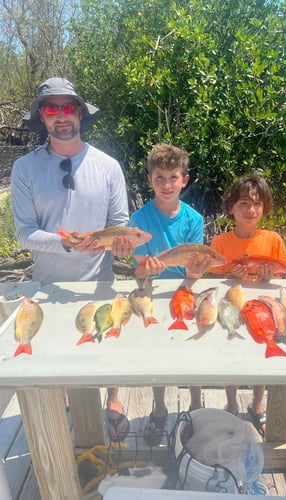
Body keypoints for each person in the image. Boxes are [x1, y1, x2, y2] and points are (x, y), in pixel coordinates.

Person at [11, 77, 134, 443]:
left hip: (100, 282)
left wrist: (121, 244)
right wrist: (67, 244)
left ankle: (113, 401)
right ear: (42, 117)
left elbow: (120, 226)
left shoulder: (109, 166)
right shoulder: (24, 169)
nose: (62, 116)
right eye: (52, 108)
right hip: (48, 288)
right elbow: (24, 232)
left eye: (69, 107)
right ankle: (66, 405)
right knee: (58, 356)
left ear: (80, 113)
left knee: (107, 347)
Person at [129, 142, 213, 447]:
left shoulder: (194, 220)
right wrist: (147, 269)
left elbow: (193, 276)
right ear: (150, 179)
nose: (166, 184)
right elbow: (139, 272)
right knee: (155, 354)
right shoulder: (138, 220)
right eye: (160, 177)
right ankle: (160, 406)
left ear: (184, 180)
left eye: (173, 178)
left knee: (193, 351)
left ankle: (195, 404)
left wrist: (197, 270)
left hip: (185, 290)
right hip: (153, 292)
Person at [208, 172, 286, 437]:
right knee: (229, 356)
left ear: (264, 208)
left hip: (263, 309)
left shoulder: (273, 240)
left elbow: (283, 275)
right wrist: (229, 277)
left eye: (256, 203)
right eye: (243, 203)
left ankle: (258, 404)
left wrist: (271, 277)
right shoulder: (220, 242)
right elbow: (213, 277)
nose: (250, 209)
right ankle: (231, 404)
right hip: (232, 309)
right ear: (231, 208)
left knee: (263, 358)